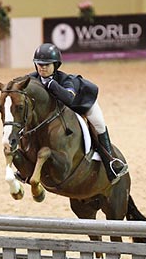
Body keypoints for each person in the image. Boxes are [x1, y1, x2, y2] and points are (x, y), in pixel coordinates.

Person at [28, 43, 128, 184]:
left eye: (47, 64)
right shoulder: (33, 79)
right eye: (39, 64)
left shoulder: (68, 80)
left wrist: (51, 84)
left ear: (56, 65)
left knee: (99, 125)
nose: (42, 67)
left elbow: (69, 98)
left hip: (82, 102)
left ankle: (111, 164)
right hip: (61, 109)